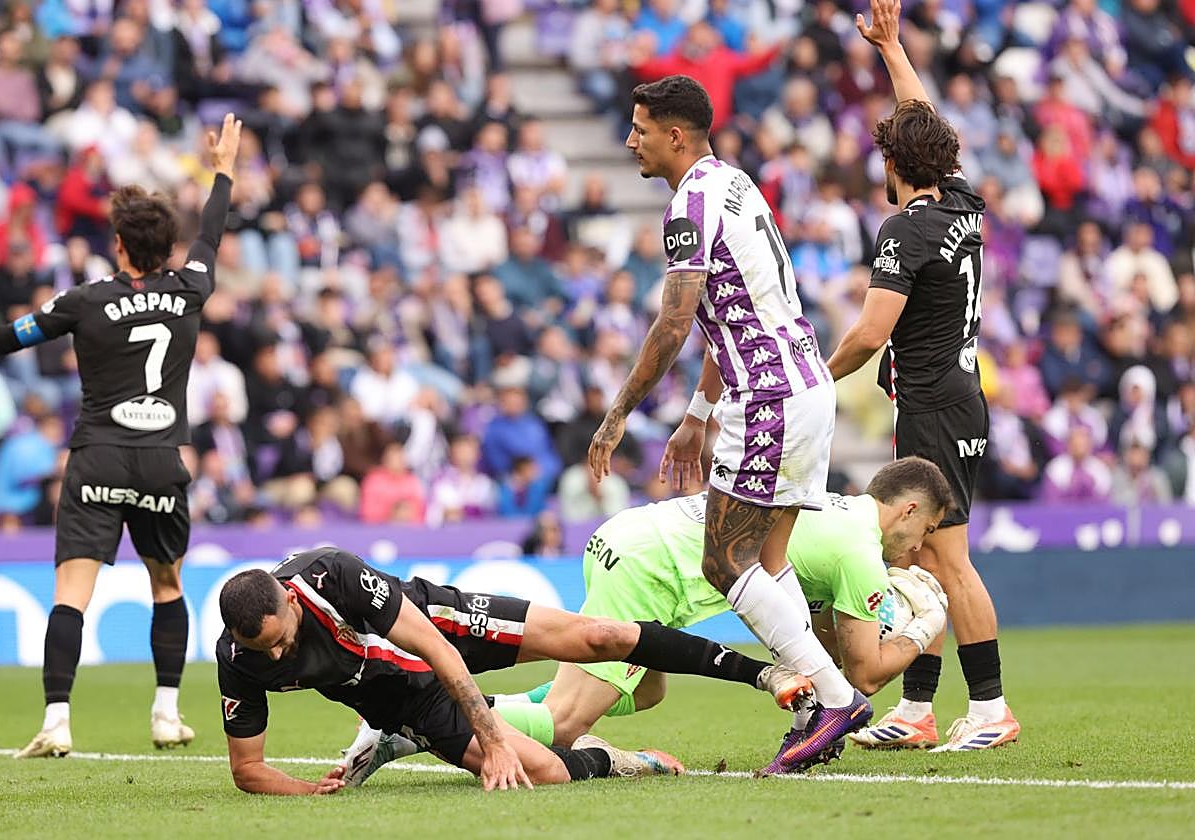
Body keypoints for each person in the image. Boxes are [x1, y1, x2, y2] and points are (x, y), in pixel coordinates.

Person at [586, 73, 868, 776]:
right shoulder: (735, 184)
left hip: (768, 395)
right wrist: (696, 414)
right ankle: (814, 711)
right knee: (770, 560)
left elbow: (676, 321)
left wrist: (617, 413)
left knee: (723, 560)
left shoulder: (686, 208)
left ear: (674, 135)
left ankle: (832, 697)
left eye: (640, 128)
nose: (630, 140)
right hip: (805, 383)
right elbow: (734, 306)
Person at [0, 114, 243, 759]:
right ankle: (166, 713)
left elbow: (12, 337)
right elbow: (213, 233)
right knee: (167, 587)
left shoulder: (82, 300)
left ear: (117, 244)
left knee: (71, 597)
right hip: (162, 460)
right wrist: (223, 171)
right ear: (168, 247)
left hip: (99, 455)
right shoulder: (192, 288)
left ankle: (56, 720)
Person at [215, 547, 809, 793]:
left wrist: (495, 739)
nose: (276, 658)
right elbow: (247, 768)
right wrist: (308, 790)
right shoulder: (239, 659)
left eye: (280, 644)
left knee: (596, 636)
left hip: (439, 629)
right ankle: (617, 758)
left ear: (290, 601)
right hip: (404, 703)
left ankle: (760, 673)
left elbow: (437, 652)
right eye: (262, 652)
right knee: (547, 774)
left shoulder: (332, 576)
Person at [826, 0, 1019, 752]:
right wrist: (892, 49)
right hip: (955, 396)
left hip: (936, 404)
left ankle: (993, 707)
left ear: (892, 165)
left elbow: (872, 332)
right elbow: (922, 118)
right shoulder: (963, 203)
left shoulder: (904, 229)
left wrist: (813, 377)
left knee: (946, 558)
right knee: (918, 554)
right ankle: (918, 710)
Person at [489, 458, 951, 754]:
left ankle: (491, 704)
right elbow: (863, 677)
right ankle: (431, 709)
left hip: (632, 533)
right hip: (652, 566)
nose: (916, 549)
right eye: (926, 531)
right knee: (565, 722)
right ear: (908, 511)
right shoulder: (861, 556)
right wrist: (924, 626)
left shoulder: (832, 511)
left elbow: (813, 652)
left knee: (647, 692)